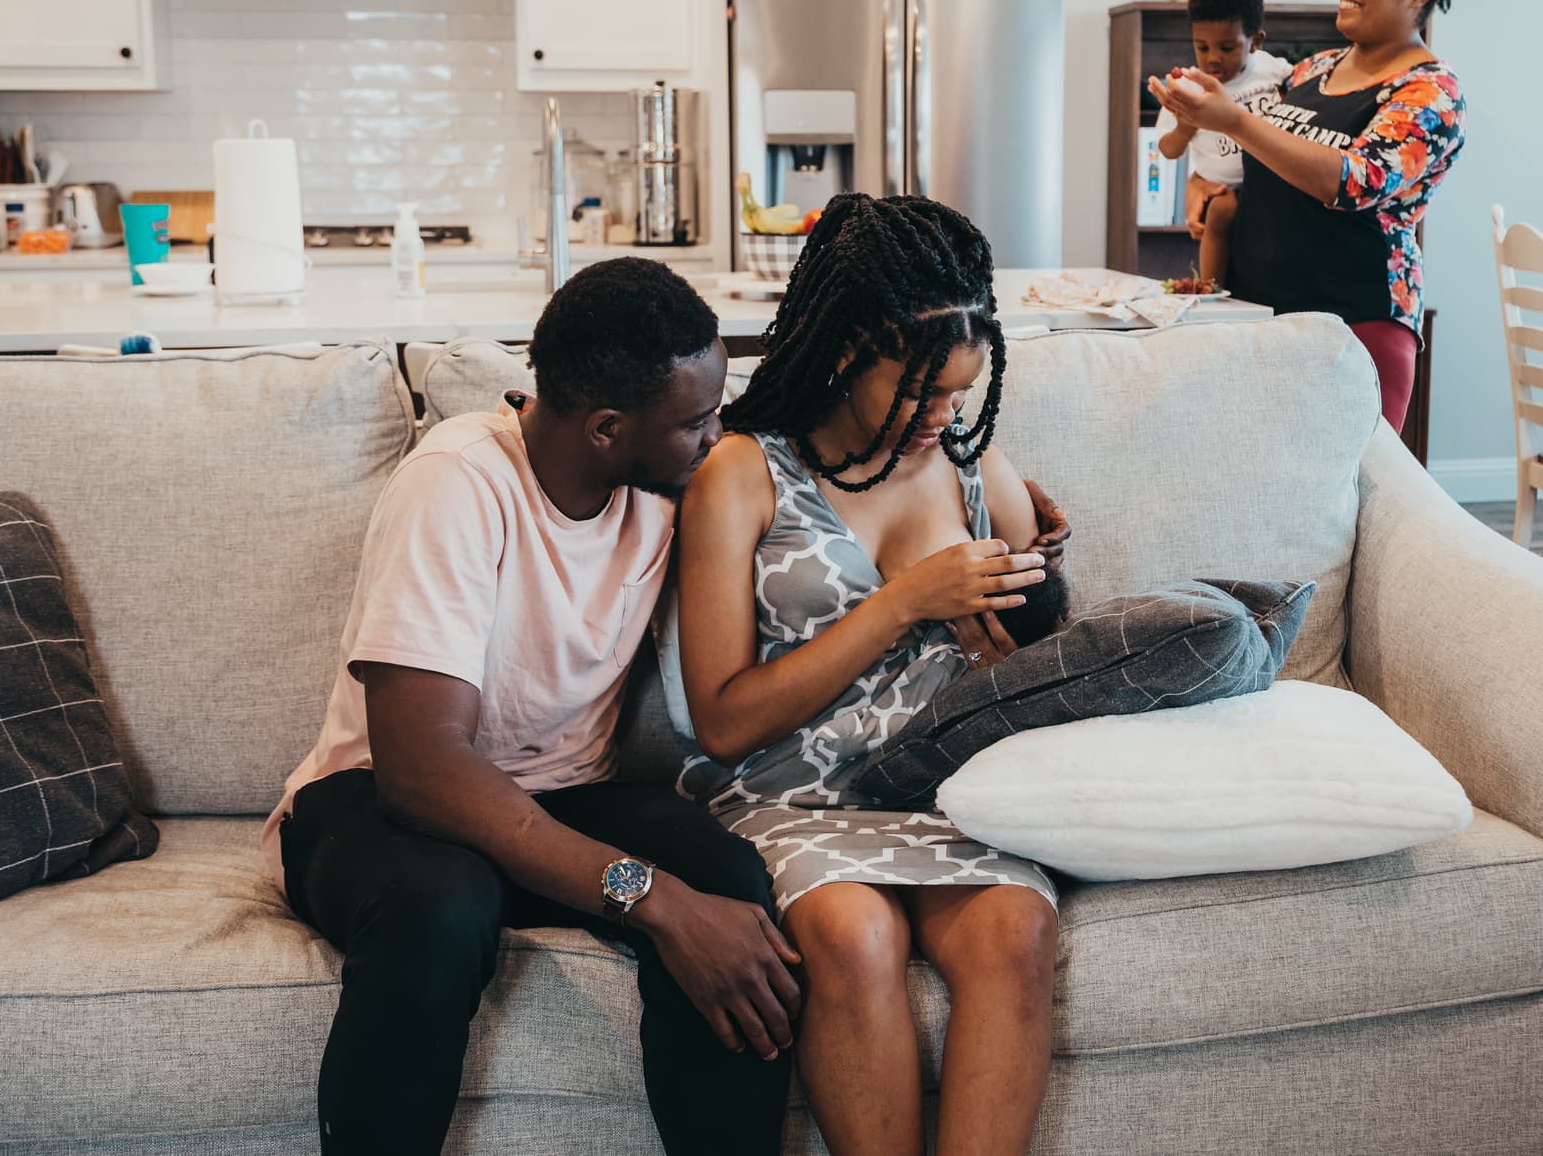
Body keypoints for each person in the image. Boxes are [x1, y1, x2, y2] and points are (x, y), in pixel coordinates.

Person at [264, 259, 800, 1156]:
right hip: (377, 800)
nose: (718, 438)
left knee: (733, 889)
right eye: (697, 422)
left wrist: (999, 498)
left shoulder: (666, 483)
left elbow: (827, 434)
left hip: (559, 794)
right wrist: (653, 900)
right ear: (604, 429)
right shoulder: (459, 482)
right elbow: (423, 770)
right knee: (442, 902)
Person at [675, 193, 1069, 1156]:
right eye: (918, 393)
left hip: (947, 795)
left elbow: (1046, 663)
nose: (941, 419)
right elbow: (722, 721)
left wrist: (1015, 629)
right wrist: (900, 602)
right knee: (855, 939)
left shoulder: (975, 469)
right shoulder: (743, 473)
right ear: (846, 349)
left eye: (960, 396)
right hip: (786, 798)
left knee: (1015, 933)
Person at [1150, 0, 1468, 432]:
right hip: (1263, 316)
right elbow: (1271, 167)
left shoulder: (1430, 93)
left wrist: (1235, 122)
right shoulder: (1311, 70)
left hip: (1353, 330)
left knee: (1340, 509)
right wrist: (1208, 185)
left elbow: (1352, 180)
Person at [1152, 0, 1293, 285]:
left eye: (1227, 48)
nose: (1213, 58)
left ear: (1255, 41)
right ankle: (1211, 287)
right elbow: (1168, 149)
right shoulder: (1188, 87)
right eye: (1202, 48)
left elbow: (1298, 87)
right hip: (1223, 187)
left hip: (1271, 183)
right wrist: (1186, 127)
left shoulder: (1271, 69)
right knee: (1220, 212)